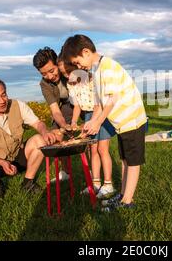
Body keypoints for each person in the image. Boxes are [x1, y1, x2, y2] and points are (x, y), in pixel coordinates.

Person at [62, 34, 147, 212]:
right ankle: (123, 194)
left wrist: (98, 121)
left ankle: (127, 202)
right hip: (123, 123)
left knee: (133, 162)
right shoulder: (97, 70)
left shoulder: (107, 66)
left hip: (132, 120)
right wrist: (92, 122)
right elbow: (100, 103)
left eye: (77, 62)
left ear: (86, 52)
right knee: (124, 159)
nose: (78, 67)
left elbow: (112, 98)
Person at [0, 77, 57, 200]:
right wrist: (2, 162)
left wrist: (45, 131)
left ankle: (28, 183)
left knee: (40, 139)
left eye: (4, 95)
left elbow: (37, 123)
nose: (2, 101)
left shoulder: (18, 105)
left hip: (18, 156)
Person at [58, 53, 116, 199]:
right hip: (89, 116)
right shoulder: (70, 85)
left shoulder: (91, 79)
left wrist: (95, 121)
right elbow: (77, 106)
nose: (67, 76)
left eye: (68, 71)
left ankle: (108, 184)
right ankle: (95, 183)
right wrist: (73, 122)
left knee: (103, 149)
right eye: (63, 74)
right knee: (93, 149)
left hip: (100, 113)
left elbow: (99, 103)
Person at [33, 47, 73, 182]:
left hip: (82, 102)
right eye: (44, 74)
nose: (50, 76)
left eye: (52, 70)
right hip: (65, 105)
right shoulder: (44, 84)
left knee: (88, 134)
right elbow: (55, 110)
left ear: (58, 63)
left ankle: (92, 170)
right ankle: (66, 171)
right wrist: (63, 125)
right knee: (57, 133)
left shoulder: (70, 71)